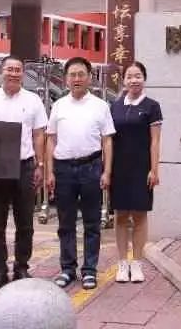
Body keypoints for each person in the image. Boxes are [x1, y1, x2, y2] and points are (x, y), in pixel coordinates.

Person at [0, 57, 48, 291]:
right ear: (1, 72)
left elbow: (39, 135)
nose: (14, 73)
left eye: (18, 70)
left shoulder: (33, 100)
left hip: (25, 166)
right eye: (10, 69)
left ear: (23, 74)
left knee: (25, 221)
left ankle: (21, 267)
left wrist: (40, 164)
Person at [45, 57, 115, 290]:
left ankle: (89, 270)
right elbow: (51, 139)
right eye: (72, 75)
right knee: (65, 222)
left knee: (92, 223)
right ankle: (67, 269)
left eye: (81, 74)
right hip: (63, 169)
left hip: (91, 167)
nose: (76, 79)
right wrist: (49, 171)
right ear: (66, 79)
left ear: (89, 77)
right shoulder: (59, 105)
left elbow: (107, 141)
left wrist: (107, 171)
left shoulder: (100, 106)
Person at [109, 61, 162, 284]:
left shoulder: (152, 106)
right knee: (121, 215)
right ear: (124, 80)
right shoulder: (115, 106)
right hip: (119, 168)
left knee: (140, 215)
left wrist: (154, 169)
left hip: (142, 168)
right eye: (129, 76)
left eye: (138, 76)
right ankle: (123, 263)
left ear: (144, 78)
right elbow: (108, 140)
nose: (134, 80)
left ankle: (137, 263)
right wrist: (107, 170)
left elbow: (155, 141)